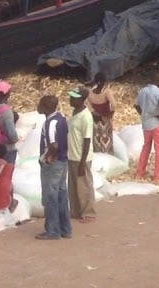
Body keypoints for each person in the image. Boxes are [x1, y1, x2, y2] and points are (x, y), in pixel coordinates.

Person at [36, 94, 71, 240]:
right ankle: (65, 229)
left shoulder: (50, 123)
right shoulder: (61, 118)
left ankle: (53, 230)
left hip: (53, 164)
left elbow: (53, 145)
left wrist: (47, 157)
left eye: (40, 104)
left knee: (50, 197)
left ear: (45, 107)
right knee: (62, 195)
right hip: (63, 161)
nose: (38, 107)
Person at [67, 88, 95, 223]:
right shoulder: (75, 113)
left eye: (74, 98)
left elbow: (87, 139)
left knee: (84, 186)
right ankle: (76, 211)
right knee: (73, 186)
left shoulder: (86, 116)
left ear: (82, 99)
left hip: (81, 157)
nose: (71, 100)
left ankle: (88, 213)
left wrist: (83, 162)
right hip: (72, 155)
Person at [135, 77, 159, 182]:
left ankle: (140, 173)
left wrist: (143, 113)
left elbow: (136, 105)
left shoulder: (142, 91)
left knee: (146, 147)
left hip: (146, 123)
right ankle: (157, 176)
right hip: (157, 123)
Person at [86, 72, 116, 155]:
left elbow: (88, 104)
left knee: (96, 138)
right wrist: (110, 115)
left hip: (95, 118)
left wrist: (94, 113)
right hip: (105, 118)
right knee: (106, 138)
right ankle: (107, 155)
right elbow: (114, 105)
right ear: (105, 81)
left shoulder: (90, 92)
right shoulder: (106, 91)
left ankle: (97, 155)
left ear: (95, 81)